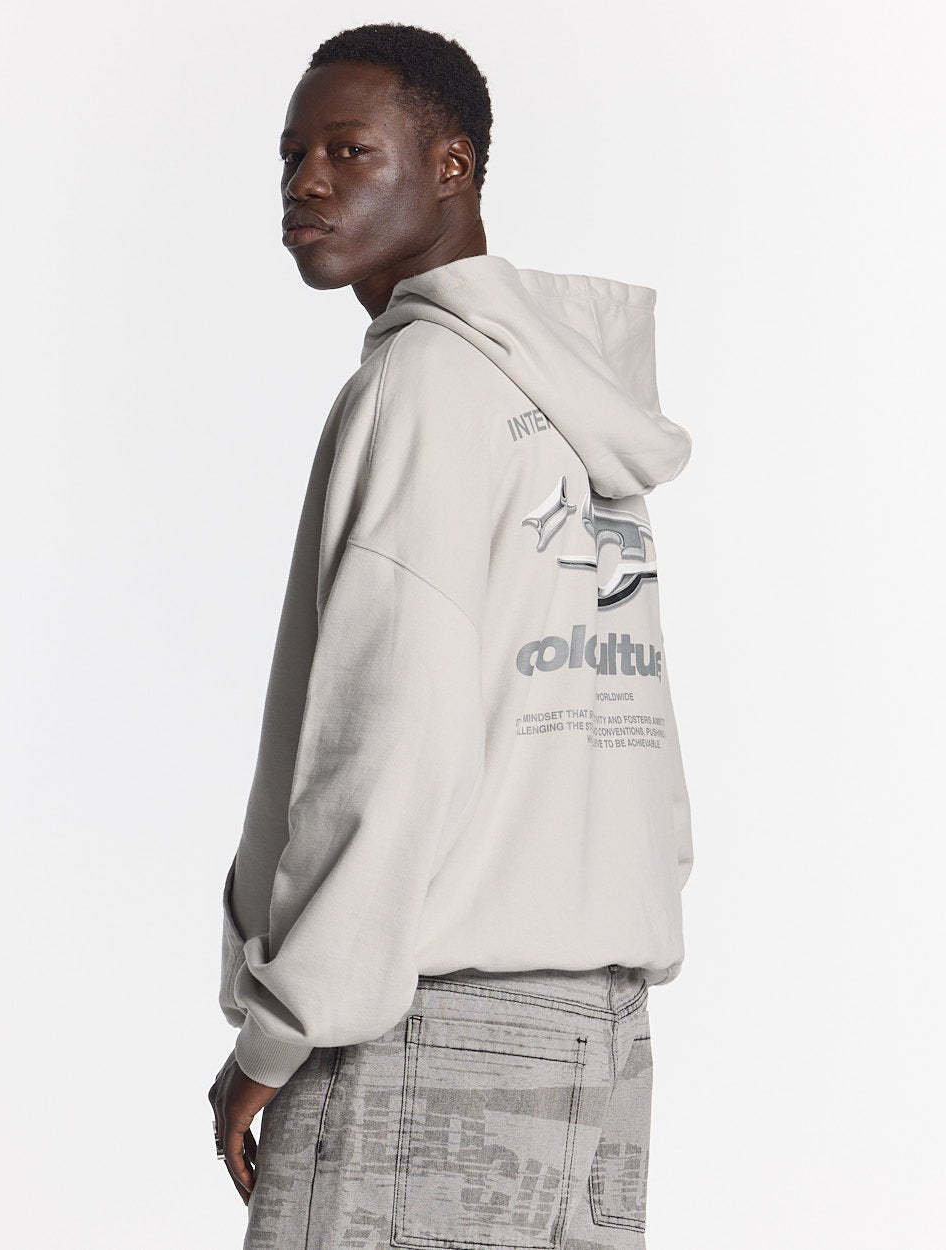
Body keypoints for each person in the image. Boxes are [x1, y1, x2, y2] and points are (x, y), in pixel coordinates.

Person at [208, 21, 694, 1249]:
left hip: (425, 1031)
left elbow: (391, 743)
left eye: (348, 150)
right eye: (292, 156)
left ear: (451, 165)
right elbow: (633, 732)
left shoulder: (422, 386)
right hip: (595, 1035)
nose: (306, 183)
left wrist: (285, 1021)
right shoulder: (568, 406)